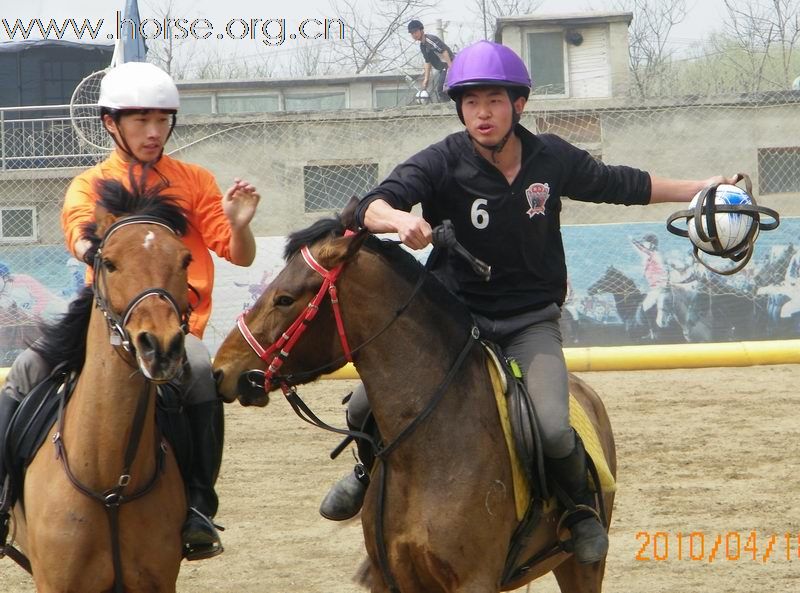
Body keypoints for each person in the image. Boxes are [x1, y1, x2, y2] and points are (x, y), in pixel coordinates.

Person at [317, 40, 740, 565]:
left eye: (494, 100)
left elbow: (622, 184)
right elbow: (372, 204)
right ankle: (364, 472)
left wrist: (700, 188)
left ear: (519, 104)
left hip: (528, 322)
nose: (482, 113)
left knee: (553, 426)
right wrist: (399, 219)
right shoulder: (443, 160)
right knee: (363, 403)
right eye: (470, 102)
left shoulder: (551, 157)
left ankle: (578, 509)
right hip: (452, 321)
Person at [0, 61, 260, 561]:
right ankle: (2, 497)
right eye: (141, 120)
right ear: (110, 123)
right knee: (27, 369)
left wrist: (240, 223)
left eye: (163, 120)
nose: (154, 131)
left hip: (173, 328)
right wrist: (87, 244)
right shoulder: (90, 185)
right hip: (104, 324)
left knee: (200, 369)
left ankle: (200, 506)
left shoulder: (196, 181)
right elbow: (79, 231)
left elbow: (238, 252)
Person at [630, 233, 670, 331]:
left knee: (645, 306)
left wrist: (633, 240)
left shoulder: (656, 255)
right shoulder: (650, 255)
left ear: (652, 244)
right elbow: (642, 250)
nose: (644, 244)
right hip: (654, 287)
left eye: (646, 243)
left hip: (659, 288)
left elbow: (665, 271)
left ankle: (652, 330)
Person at [408, 19, 454, 103]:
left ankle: (449, 107)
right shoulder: (422, 45)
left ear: (421, 30)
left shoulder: (430, 40)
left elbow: (444, 51)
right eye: (412, 33)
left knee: (441, 89)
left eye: (415, 31)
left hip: (448, 65)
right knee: (442, 90)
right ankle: (448, 104)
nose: (414, 34)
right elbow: (427, 62)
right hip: (442, 69)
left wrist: (451, 67)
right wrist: (426, 79)